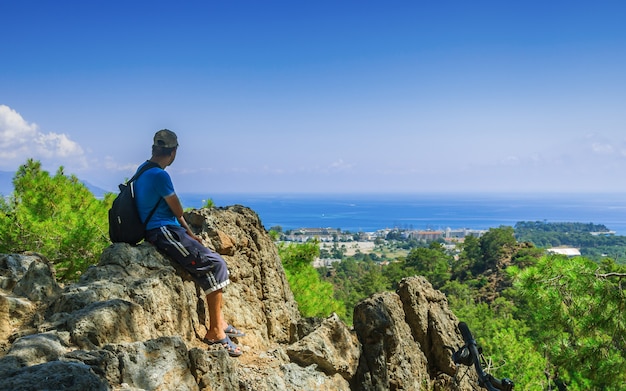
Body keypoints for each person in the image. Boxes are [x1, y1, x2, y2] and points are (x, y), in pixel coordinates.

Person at [134, 129, 244, 357]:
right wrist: (187, 230)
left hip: (161, 229)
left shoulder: (142, 170)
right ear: (172, 153)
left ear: (154, 149)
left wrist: (188, 232)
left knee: (212, 262)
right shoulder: (160, 175)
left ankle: (220, 323)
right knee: (215, 265)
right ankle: (215, 332)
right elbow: (177, 209)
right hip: (163, 231)